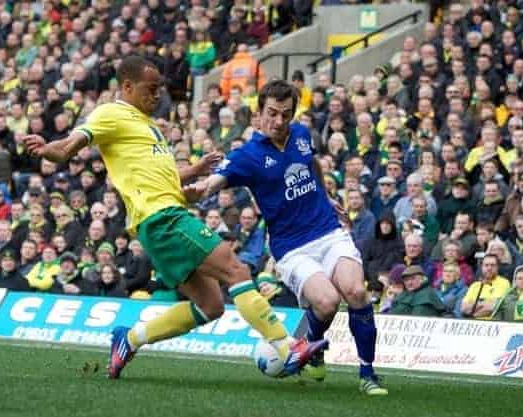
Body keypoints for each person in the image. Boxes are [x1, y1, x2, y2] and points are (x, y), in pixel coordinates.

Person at [23, 56, 325, 380]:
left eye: (159, 90)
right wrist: (47, 149)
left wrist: (194, 172)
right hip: (162, 218)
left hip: (164, 216)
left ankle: (131, 338)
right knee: (235, 268)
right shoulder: (111, 113)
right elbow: (70, 146)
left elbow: (160, 175)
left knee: (211, 305)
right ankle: (285, 346)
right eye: (150, 89)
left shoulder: (147, 125)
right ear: (127, 86)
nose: (157, 96)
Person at [187, 80, 387, 394]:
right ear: (258, 114)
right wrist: (196, 190)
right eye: (272, 113)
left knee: (357, 293)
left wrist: (327, 195)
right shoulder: (247, 156)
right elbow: (215, 181)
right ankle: (313, 348)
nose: (279, 122)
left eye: (285, 114)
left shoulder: (303, 135)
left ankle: (367, 374)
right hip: (292, 248)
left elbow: (313, 165)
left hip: (329, 232)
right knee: (327, 302)